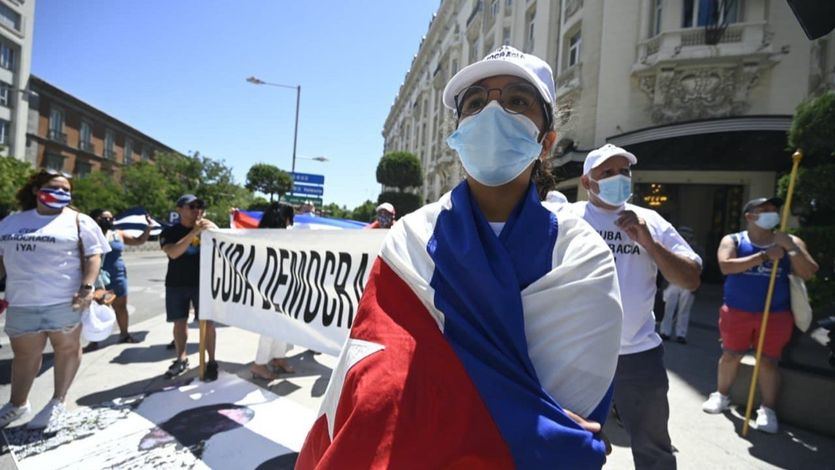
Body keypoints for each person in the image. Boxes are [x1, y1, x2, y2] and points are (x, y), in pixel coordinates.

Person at [298, 46, 623, 469]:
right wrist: (533, 427)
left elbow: (573, 413)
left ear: (546, 143)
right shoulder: (410, 239)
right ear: (457, 136)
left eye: (517, 101)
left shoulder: (581, 256)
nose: (492, 112)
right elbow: (375, 389)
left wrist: (443, 407)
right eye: (475, 103)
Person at [570, 143, 702, 470]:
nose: (620, 178)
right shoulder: (567, 217)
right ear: (588, 182)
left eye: (624, 172)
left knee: (654, 450)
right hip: (576, 355)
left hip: (638, 355)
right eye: (608, 173)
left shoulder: (650, 221)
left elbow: (690, 278)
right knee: (569, 445)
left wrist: (648, 242)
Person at [0, 169, 110, 430]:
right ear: (37, 191)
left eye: (66, 190)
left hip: (64, 300)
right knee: (25, 355)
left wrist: (87, 287)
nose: (61, 193)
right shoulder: (11, 222)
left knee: (67, 350)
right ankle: (17, 404)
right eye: (54, 188)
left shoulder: (79, 221)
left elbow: (93, 256)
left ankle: (57, 403)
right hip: (22, 301)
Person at [702, 197, 818, 433]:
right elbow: (726, 266)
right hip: (737, 311)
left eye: (774, 210)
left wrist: (790, 248)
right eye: (763, 210)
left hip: (775, 314)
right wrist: (764, 257)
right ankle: (721, 395)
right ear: (749, 216)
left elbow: (809, 272)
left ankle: (768, 409)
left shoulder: (789, 241)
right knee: (730, 355)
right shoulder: (734, 239)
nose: (771, 213)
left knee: (768, 362)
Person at [159, 194, 219, 381]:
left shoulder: (208, 229)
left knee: (208, 324)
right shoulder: (169, 231)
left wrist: (214, 228)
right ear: (180, 209)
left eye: (200, 206)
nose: (196, 210)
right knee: (180, 322)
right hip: (177, 284)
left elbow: (227, 244)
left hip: (203, 284)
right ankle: (181, 358)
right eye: (192, 206)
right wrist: (193, 233)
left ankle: (211, 362)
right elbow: (174, 253)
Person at [87, 208, 153, 348]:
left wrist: (148, 228)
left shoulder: (118, 234)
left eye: (111, 218)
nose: (109, 221)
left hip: (118, 275)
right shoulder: (89, 234)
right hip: (97, 278)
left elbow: (139, 241)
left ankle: (124, 334)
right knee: (99, 308)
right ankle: (94, 340)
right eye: (104, 218)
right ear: (95, 219)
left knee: (121, 306)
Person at [250, 202, 296, 380]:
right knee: (270, 327)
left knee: (283, 325)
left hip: (281, 287)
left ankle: (279, 357)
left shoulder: (267, 234)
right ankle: (259, 364)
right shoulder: (272, 236)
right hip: (271, 288)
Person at [659, 226, 700, 344]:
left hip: (687, 284)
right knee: (668, 308)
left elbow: (702, 267)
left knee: (684, 310)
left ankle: (681, 334)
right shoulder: (672, 246)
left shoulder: (697, 249)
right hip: (672, 282)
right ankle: (665, 332)